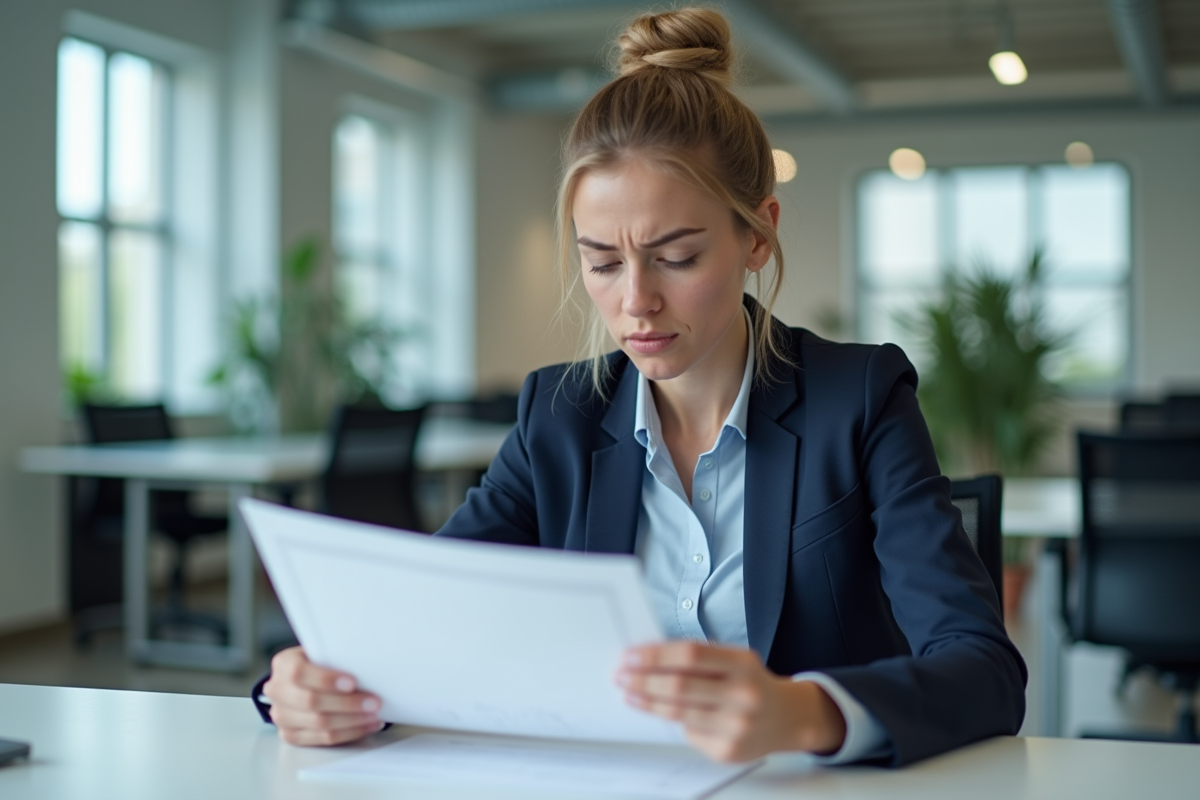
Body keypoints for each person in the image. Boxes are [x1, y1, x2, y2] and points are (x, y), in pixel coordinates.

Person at [253, 7, 1026, 767]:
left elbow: (983, 667)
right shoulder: (559, 417)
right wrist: (300, 687)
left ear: (758, 235)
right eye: (601, 262)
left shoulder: (857, 399)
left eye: (677, 258)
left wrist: (802, 711)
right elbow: (422, 619)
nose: (635, 301)